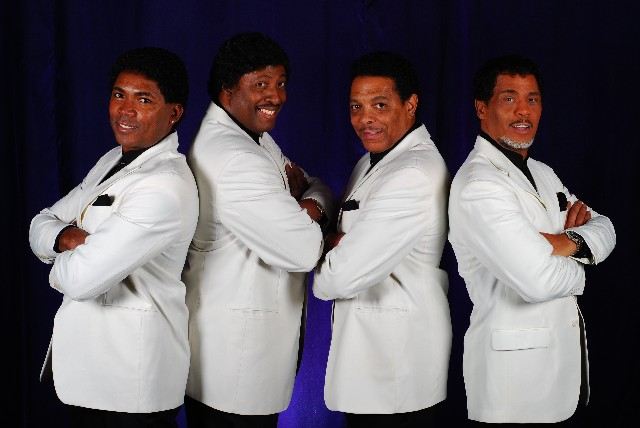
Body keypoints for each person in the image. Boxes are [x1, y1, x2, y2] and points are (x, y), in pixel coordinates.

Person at [29, 47, 198, 427]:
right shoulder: (113, 159)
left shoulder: (165, 186)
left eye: (144, 100)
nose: (125, 110)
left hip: (129, 385)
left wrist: (63, 257)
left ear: (174, 113)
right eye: (119, 95)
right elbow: (41, 223)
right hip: (89, 375)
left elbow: (80, 280)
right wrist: (68, 238)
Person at [448, 54, 616, 425]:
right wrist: (582, 263)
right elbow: (537, 281)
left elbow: (606, 227)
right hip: (514, 388)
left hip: (558, 377)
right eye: (509, 98)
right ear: (482, 108)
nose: (523, 111)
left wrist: (564, 242)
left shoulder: (542, 172)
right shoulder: (479, 185)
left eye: (533, 99)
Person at [182, 32, 332, 427]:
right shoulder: (235, 158)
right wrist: (314, 207)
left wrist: (310, 203)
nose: (276, 96)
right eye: (261, 84)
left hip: (240, 359)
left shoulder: (254, 140)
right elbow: (303, 250)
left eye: (280, 83)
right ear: (227, 89)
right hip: (234, 365)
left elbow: (314, 184)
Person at [313, 51, 452, 427]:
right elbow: (346, 244)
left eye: (379, 105)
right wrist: (339, 242)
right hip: (374, 364)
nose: (365, 119)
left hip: (396, 370)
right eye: (356, 107)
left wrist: (331, 248)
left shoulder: (412, 173)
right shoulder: (374, 159)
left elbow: (335, 280)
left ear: (411, 105)